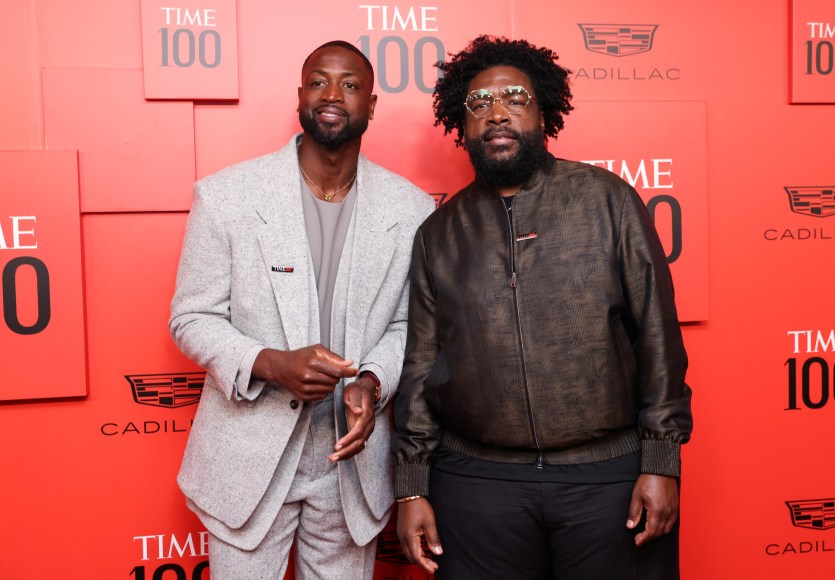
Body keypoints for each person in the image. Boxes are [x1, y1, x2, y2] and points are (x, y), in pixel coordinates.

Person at [393, 35, 693, 579]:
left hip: (607, 478)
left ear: (544, 110)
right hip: (477, 486)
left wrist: (662, 461)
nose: (497, 113)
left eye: (514, 97)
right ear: (461, 125)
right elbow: (419, 366)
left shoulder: (609, 201)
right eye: (479, 104)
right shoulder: (438, 233)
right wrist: (411, 485)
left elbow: (657, 336)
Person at [169, 40, 434, 579]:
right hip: (248, 457)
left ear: (372, 105)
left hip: (349, 462)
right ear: (299, 96)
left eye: (350, 84)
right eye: (319, 81)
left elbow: (409, 323)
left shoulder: (411, 209)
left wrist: (372, 381)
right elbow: (191, 317)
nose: (333, 94)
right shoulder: (227, 196)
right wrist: (271, 363)